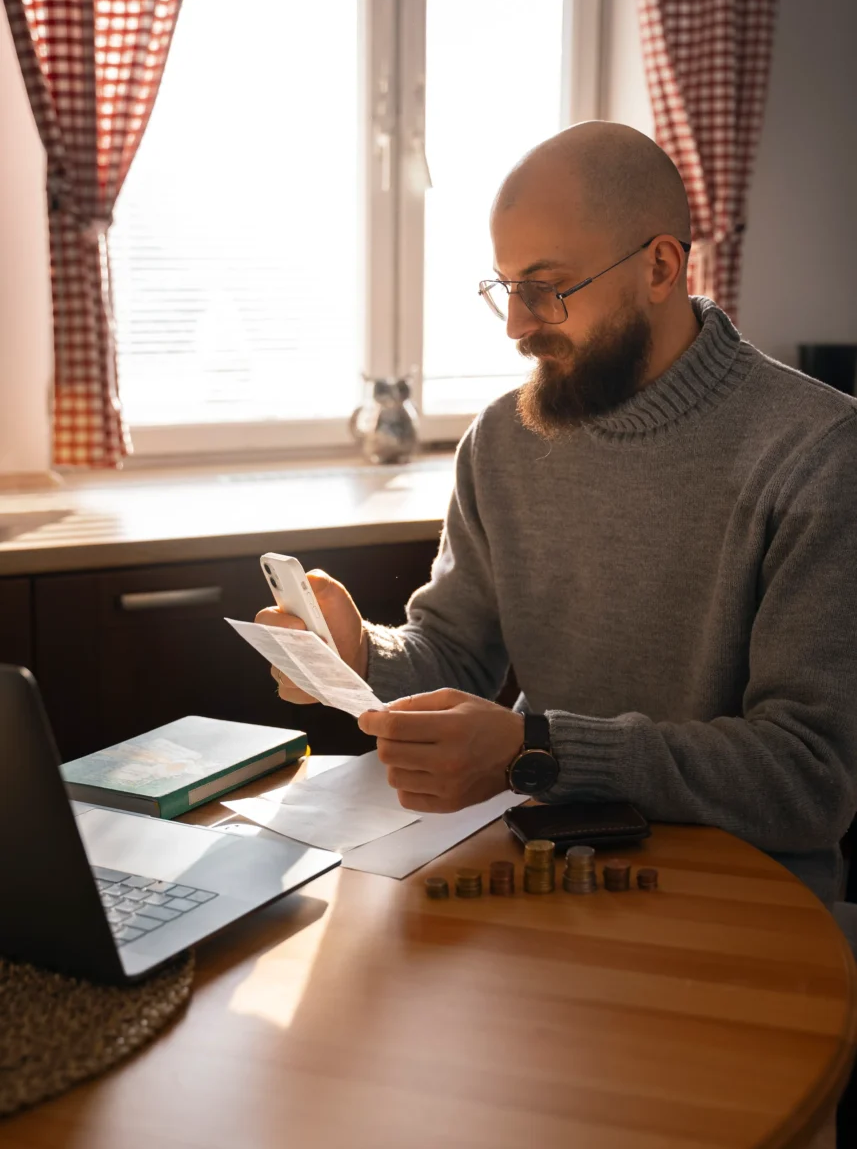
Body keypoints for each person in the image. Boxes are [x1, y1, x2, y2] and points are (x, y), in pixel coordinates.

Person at [257, 120, 857, 908]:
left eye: (546, 288)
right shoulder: (503, 438)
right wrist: (357, 654)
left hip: (747, 904)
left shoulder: (818, 452)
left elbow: (807, 779)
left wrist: (535, 749)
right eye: (505, 288)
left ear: (660, 266)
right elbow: (453, 653)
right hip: (537, 873)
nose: (515, 325)